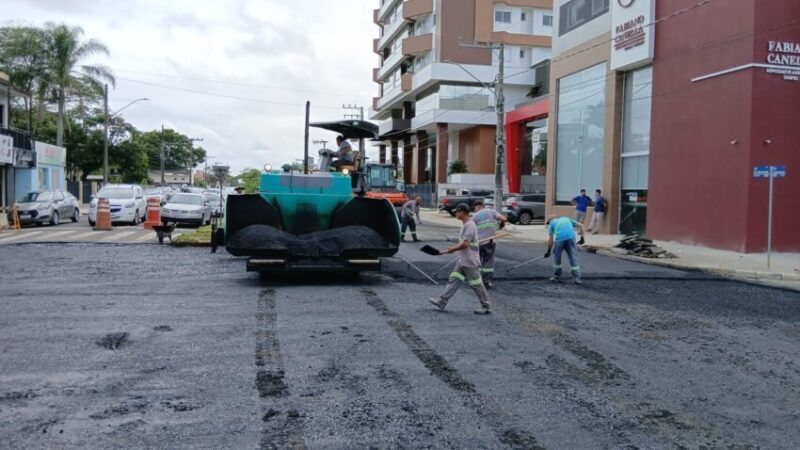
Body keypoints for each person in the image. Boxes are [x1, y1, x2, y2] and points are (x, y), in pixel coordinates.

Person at [429, 204, 492, 315]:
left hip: (470, 261)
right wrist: (453, 248)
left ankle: (485, 305)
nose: (456, 214)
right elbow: (464, 243)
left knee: (476, 283)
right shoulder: (466, 224)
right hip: (464, 260)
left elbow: (465, 244)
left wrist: (452, 249)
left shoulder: (469, 225)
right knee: (454, 278)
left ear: (462, 212)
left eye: (457, 212)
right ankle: (442, 301)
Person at [472, 199, 507, 289]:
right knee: (488, 262)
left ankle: (477, 281)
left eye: (474, 208)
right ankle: (487, 281)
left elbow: (470, 230)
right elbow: (504, 219)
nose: (474, 209)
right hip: (489, 242)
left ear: (477, 206)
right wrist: (502, 224)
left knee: (477, 262)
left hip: (478, 243)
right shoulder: (492, 211)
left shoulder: (474, 216)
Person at [545, 214, 586, 285]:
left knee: (557, 257)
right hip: (571, 238)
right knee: (573, 257)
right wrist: (582, 238)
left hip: (560, 238)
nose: (548, 224)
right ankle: (577, 278)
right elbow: (582, 225)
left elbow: (550, 240)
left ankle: (556, 277)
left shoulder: (551, 224)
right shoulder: (566, 219)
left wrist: (548, 250)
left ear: (550, 221)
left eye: (548, 223)